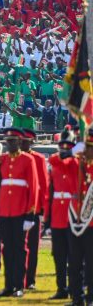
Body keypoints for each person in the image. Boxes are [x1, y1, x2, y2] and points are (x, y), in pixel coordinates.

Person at [0, 127, 38, 298]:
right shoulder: (2, 160)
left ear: (19, 141)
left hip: (20, 211)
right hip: (4, 211)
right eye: (8, 141)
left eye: (13, 141)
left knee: (19, 249)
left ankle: (19, 285)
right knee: (6, 249)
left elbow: (33, 187)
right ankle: (9, 285)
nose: (10, 144)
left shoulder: (27, 160)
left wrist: (30, 213)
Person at [44, 128, 77, 300]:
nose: (64, 150)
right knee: (59, 255)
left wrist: (74, 152)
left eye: (67, 147)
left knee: (74, 256)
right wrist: (47, 221)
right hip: (57, 217)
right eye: (62, 148)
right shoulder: (55, 163)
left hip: (72, 216)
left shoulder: (76, 164)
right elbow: (50, 194)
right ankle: (61, 288)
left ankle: (73, 288)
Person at [20, 128, 48, 290]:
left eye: (26, 141)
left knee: (32, 246)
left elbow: (43, 185)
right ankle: (18, 276)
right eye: (21, 141)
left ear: (31, 142)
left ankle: (30, 280)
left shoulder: (38, 159)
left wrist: (41, 209)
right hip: (17, 208)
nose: (23, 143)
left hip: (34, 209)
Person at [68, 131, 93, 306]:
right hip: (75, 219)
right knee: (74, 262)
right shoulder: (76, 165)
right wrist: (72, 152)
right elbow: (56, 161)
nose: (87, 151)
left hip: (91, 222)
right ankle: (77, 298)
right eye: (86, 148)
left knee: (91, 264)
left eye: (89, 148)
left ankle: (91, 297)